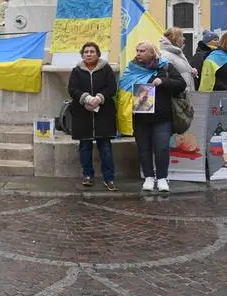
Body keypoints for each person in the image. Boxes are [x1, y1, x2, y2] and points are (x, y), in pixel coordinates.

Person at [123, 41, 186, 193]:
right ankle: (149, 177)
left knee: (162, 148)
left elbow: (181, 84)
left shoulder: (165, 67)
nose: (138, 53)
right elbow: (123, 88)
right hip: (141, 116)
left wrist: (163, 81)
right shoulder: (131, 69)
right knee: (143, 148)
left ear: (152, 53)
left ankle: (162, 178)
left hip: (162, 117)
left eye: (143, 50)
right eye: (137, 50)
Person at [67, 41, 117, 190]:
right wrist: (86, 98)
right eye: (86, 52)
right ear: (82, 55)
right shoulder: (76, 70)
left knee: (106, 149)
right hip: (83, 114)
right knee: (84, 147)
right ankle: (87, 175)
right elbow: (72, 89)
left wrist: (99, 98)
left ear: (98, 54)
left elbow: (112, 88)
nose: (89, 54)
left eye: (92, 51)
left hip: (104, 114)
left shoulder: (106, 69)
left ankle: (109, 178)